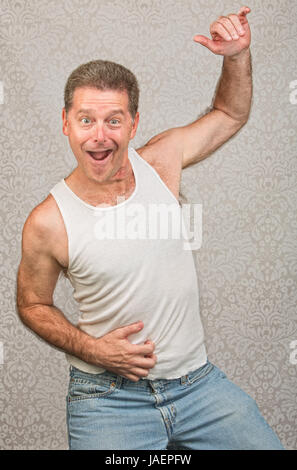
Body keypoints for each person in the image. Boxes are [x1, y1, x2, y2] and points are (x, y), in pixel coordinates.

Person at [16, 6, 284, 450]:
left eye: (114, 120)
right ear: (66, 123)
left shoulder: (161, 162)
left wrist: (236, 57)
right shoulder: (48, 221)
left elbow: (229, 113)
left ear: (134, 124)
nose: (99, 135)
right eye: (86, 119)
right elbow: (32, 304)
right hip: (107, 400)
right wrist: (93, 350)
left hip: (198, 387)